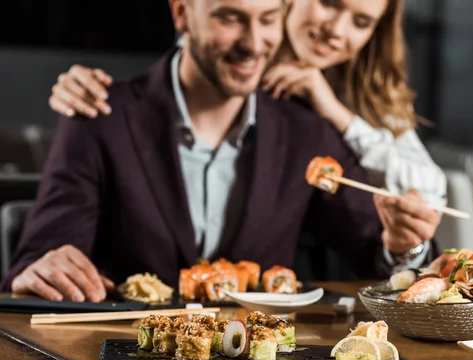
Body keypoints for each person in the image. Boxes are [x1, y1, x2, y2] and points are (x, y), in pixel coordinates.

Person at [1, 0, 441, 303]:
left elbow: (374, 246)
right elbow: (42, 254)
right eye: (230, 18)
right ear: (182, 12)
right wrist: (43, 268)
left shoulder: (306, 131)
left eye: (268, 19)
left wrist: (403, 247)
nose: (253, 43)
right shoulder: (98, 114)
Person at [47, 0, 447, 208]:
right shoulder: (234, 65)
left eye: (361, 22)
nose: (336, 30)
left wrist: (335, 112)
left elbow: (431, 196)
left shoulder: (369, 94)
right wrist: (76, 84)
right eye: (329, 3)